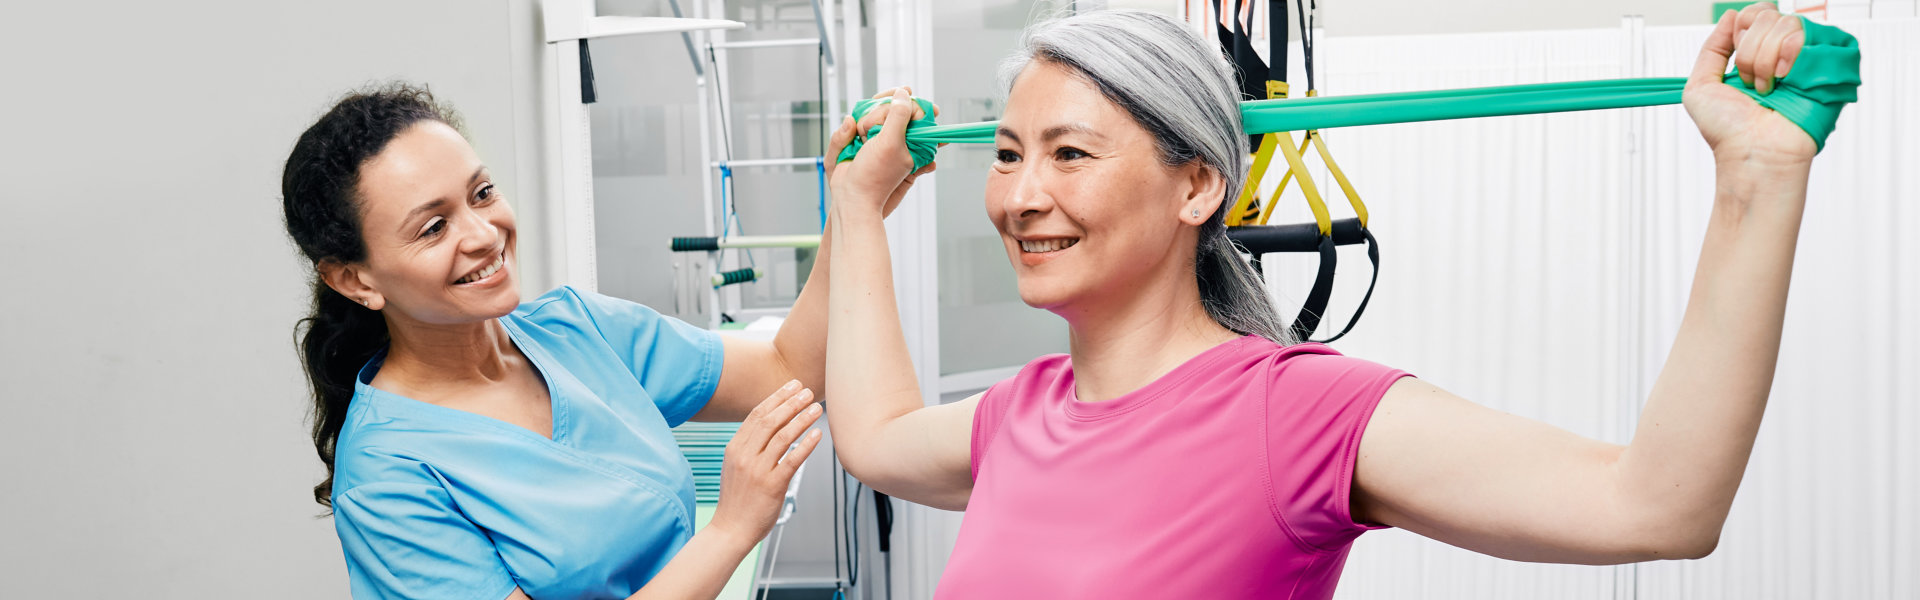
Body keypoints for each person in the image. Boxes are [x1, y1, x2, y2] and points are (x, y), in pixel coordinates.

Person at [820, 6, 1824, 598]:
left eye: (1070, 154)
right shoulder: (1018, 416)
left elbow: (1655, 506)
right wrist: (860, 209)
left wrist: (1759, 178)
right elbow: (875, 435)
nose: (1022, 196)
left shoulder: (1293, 415)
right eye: (1005, 156)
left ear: (1197, 185)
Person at [279, 83, 904, 599]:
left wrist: (852, 207)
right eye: (435, 226)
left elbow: (786, 366)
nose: (483, 234)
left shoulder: (574, 330)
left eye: (482, 193)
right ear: (354, 279)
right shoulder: (388, 476)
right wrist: (731, 529)